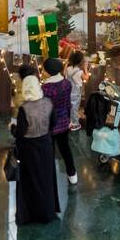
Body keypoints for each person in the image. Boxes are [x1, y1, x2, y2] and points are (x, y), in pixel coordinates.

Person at [13, 71, 59, 224]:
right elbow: (53, 123)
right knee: (46, 178)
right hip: (46, 145)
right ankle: (47, 212)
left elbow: (20, 133)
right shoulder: (48, 103)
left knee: (30, 181)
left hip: (29, 149)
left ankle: (30, 214)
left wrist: (12, 128)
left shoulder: (24, 109)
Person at [42, 56, 77, 185]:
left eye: (44, 70)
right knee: (65, 149)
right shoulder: (66, 83)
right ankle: (72, 173)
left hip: (49, 125)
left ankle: (48, 178)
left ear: (49, 71)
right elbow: (68, 104)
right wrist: (68, 119)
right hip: (63, 122)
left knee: (49, 152)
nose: (42, 72)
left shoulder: (45, 88)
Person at [65, 50, 87, 131]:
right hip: (76, 92)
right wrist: (85, 68)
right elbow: (86, 78)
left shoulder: (68, 68)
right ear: (80, 61)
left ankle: (69, 121)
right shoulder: (80, 71)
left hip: (68, 90)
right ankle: (74, 124)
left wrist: (67, 63)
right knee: (75, 107)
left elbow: (65, 75)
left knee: (70, 107)